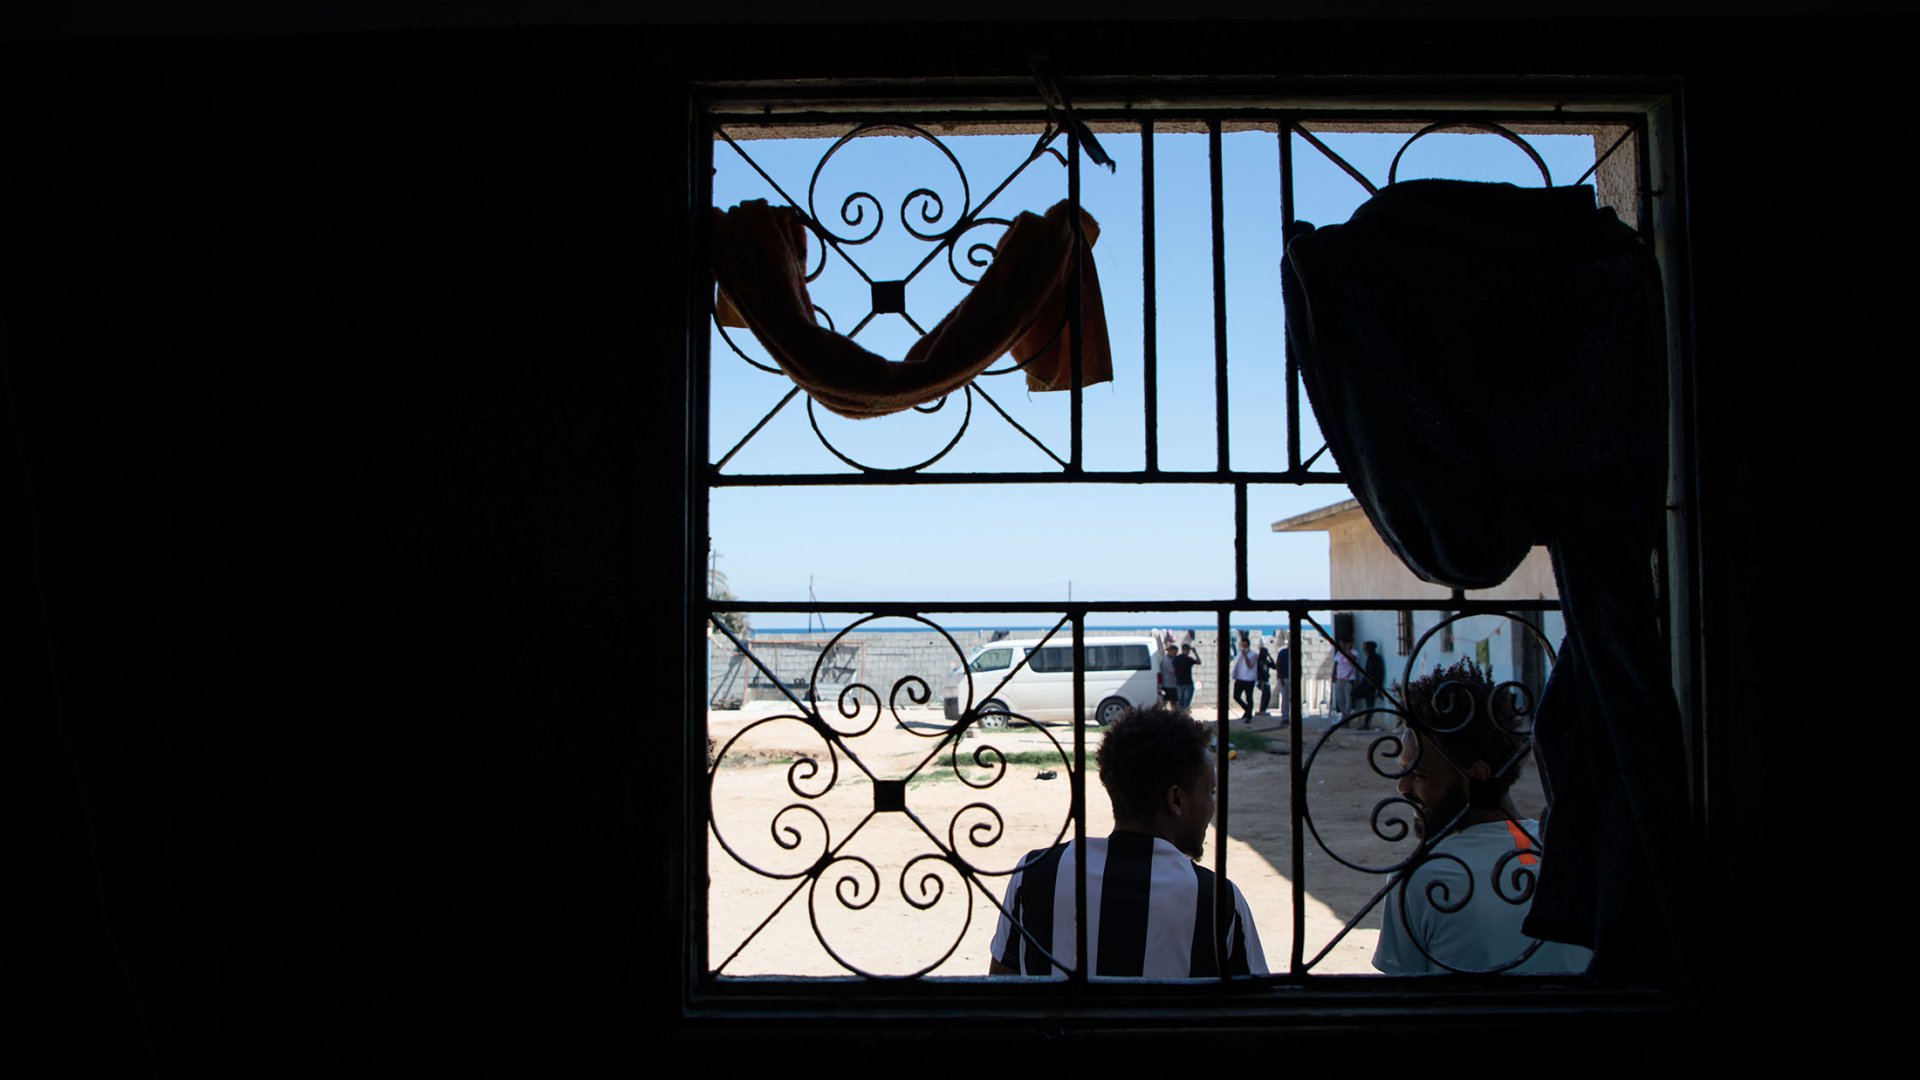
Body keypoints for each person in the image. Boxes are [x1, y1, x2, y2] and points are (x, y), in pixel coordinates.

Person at [990, 705, 1267, 977]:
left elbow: (1000, 995)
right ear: (1176, 800)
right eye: (1211, 792)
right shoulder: (1219, 902)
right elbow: (1255, 1013)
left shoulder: (1035, 873)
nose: (1212, 806)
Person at [1372, 660, 1592, 975]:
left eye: (1418, 774)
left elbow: (1404, 1004)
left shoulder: (1420, 878)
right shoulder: (1567, 855)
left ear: (1477, 777)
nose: (1402, 786)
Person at [1355, 640, 1387, 731]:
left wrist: (1377, 687)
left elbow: (1379, 674)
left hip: (1372, 686)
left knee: (1370, 705)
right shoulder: (1369, 659)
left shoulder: (1376, 659)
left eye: (1365, 649)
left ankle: (1366, 723)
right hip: (1366, 685)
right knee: (1355, 693)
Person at [1229, 641, 1258, 722]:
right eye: (1242, 645)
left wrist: (1245, 655)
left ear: (1248, 645)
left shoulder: (1254, 654)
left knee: (1249, 698)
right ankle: (1247, 710)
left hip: (1249, 680)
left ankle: (1248, 716)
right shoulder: (1240, 654)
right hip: (1240, 679)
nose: (1243, 647)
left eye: (1244, 646)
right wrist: (1234, 674)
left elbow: (1249, 665)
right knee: (1236, 696)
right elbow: (1237, 665)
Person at [1331, 639, 1357, 721]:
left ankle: (1347, 717)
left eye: (1342, 644)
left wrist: (1348, 650)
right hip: (1339, 678)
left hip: (1349, 679)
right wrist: (1333, 674)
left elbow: (1352, 661)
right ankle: (1343, 715)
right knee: (1340, 698)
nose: (1341, 646)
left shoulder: (1354, 652)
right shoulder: (1338, 653)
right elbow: (1336, 664)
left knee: (1348, 699)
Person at [1170, 644, 1200, 710]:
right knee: (1186, 703)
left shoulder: (1176, 659)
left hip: (1179, 684)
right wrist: (1195, 652)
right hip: (1188, 684)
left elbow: (1174, 671)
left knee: (1180, 703)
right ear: (1187, 650)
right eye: (1189, 650)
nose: (1189, 652)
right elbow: (1199, 662)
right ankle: (1185, 717)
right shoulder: (1188, 659)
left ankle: (1181, 718)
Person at [1255, 639, 1274, 715]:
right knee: (1265, 695)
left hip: (1266, 681)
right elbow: (1257, 672)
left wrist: (1270, 656)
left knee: (1268, 695)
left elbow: (1274, 666)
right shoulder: (1259, 662)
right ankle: (1262, 710)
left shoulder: (1266, 662)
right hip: (1261, 681)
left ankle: (1263, 709)